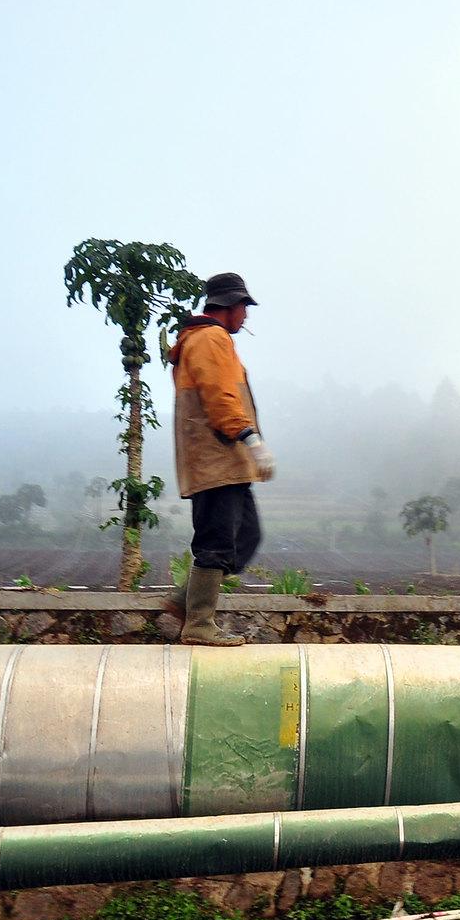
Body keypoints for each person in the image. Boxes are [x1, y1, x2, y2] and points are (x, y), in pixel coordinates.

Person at [168, 272, 275, 646]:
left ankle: (185, 602)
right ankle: (198, 623)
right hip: (216, 458)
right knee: (216, 541)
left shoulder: (207, 339)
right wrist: (250, 438)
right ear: (230, 306)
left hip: (226, 461)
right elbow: (220, 396)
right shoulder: (210, 339)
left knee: (247, 535)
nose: (246, 316)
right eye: (244, 307)